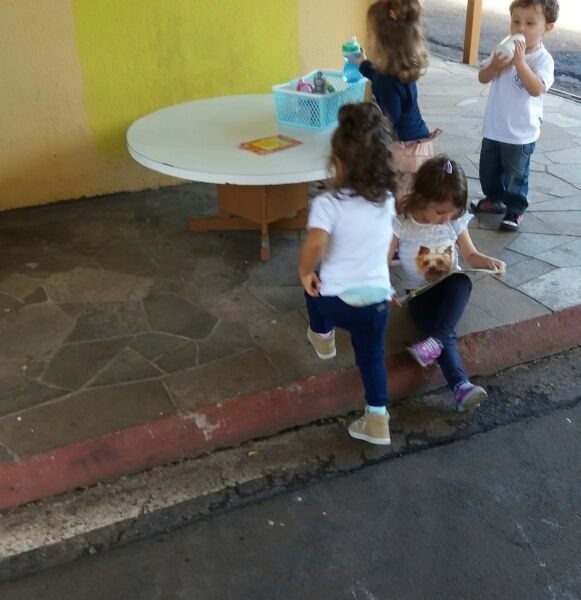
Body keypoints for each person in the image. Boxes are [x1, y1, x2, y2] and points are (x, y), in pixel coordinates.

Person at [299, 102, 397, 446]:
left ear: (337, 162)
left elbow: (315, 243)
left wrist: (304, 271)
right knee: (372, 357)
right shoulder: (387, 200)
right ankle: (378, 420)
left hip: (337, 303)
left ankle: (323, 337)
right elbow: (388, 246)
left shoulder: (328, 204)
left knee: (311, 286)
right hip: (377, 303)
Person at [390, 155, 506, 411]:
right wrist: (384, 289)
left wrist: (488, 261)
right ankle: (461, 386)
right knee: (443, 332)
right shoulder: (403, 223)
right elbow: (382, 260)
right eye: (440, 212)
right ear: (422, 199)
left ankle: (441, 355)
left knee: (461, 280)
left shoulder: (453, 221)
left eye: (452, 212)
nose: (446, 218)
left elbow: (471, 255)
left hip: (449, 288)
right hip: (418, 295)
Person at [471, 0, 559, 231]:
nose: (520, 28)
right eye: (516, 21)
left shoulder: (543, 60)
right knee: (488, 171)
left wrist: (520, 63)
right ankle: (494, 199)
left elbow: (536, 89)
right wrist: (494, 66)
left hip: (521, 133)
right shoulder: (502, 47)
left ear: (547, 28)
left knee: (516, 176)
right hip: (494, 127)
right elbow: (482, 77)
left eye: (530, 23)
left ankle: (515, 209)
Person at [354, 0, 437, 205]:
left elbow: (388, 120)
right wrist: (362, 64)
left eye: (370, 35)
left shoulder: (386, 80)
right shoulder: (399, 69)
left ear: (384, 43)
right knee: (413, 198)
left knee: (399, 201)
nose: (368, 40)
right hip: (419, 145)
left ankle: (398, 225)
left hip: (404, 152)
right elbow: (378, 75)